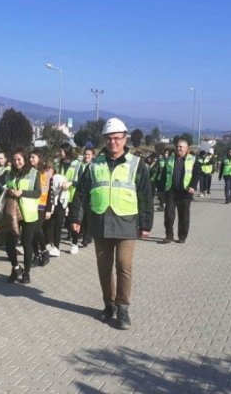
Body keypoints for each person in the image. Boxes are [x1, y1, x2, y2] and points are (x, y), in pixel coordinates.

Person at [69, 117, 153, 330]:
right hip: (100, 221)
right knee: (104, 268)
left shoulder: (136, 164)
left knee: (124, 265)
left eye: (117, 138)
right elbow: (81, 193)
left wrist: (145, 224)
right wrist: (76, 218)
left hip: (126, 222)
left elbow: (145, 195)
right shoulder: (94, 165)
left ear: (125, 139)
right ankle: (109, 305)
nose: (113, 143)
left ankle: (123, 307)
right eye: (109, 139)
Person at [0, 148, 42, 283]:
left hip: (28, 213)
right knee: (9, 243)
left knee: (26, 243)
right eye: (14, 160)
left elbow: (37, 193)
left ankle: (26, 272)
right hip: (12, 212)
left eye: (19, 160)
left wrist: (22, 192)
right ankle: (15, 267)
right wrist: (7, 190)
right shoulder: (9, 173)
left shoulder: (34, 173)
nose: (17, 162)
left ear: (25, 159)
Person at [161, 138, 200, 244]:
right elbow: (164, 174)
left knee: (184, 216)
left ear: (186, 149)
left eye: (181, 147)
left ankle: (182, 236)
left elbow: (196, 174)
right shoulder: (170, 159)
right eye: (177, 146)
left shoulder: (192, 159)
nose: (178, 149)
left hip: (185, 192)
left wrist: (193, 186)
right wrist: (161, 188)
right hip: (171, 191)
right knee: (168, 215)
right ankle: (169, 236)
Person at [54, 143, 82, 254]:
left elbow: (82, 181)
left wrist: (71, 183)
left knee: (72, 222)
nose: (59, 153)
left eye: (61, 151)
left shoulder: (77, 164)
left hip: (73, 196)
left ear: (66, 151)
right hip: (60, 196)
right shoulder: (57, 164)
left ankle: (75, 243)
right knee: (58, 221)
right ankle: (56, 247)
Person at [29, 149, 54, 267]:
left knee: (37, 229)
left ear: (39, 158)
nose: (31, 159)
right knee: (31, 231)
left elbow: (49, 192)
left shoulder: (46, 173)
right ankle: (36, 254)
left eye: (33, 157)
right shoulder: (28, 172)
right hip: (29, 205)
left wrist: (49, 209)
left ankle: (44, 251)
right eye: (30, 157)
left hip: (41, 206)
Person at [79, 147, 96, 247]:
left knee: (88, 217)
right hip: (81, 193)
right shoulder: (79, 165)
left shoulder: (94, 166)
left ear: (93, 156)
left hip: (91, 194)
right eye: (85, 154)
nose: (87, 156)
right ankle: (83, 233)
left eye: (89, 154)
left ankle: (87, 237)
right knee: (82, 216)